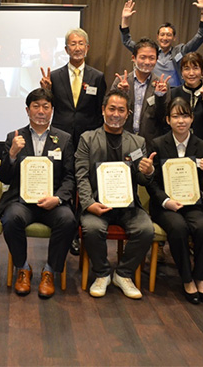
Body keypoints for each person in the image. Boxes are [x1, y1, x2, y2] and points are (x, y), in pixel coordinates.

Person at [75, 90, 155, 300]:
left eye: (121, 110)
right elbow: (81, 176)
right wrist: (88, 204)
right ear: (103, 110)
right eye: (112, 109)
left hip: (128, 207)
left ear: (128, 114)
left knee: (146, 230)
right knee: (92, 229)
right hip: (97, 204)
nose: (116, 114)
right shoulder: (87, 139)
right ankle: (102, 273)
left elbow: (141, 179)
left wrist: (148, 172)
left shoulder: (137, 143)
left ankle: (123, 274)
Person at [0, 88, 76, 299]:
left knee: (68, 220)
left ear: (52, 110)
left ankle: (49, 271)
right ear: (27, 110)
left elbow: (70, 177)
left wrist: (57, 198)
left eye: (45, 107)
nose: (41, 111)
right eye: (36, 106)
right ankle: (23, 268)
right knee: (11, 218)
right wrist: (12, 154)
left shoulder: (64, 139)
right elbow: (4, 177)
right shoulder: (14, 137)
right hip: (21, 202)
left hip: (52, 202)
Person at [146, 97, 203, 304]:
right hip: (165, 206)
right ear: (168, 120)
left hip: (192, 204)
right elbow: (152, 183)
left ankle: (199, 278)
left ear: (192, 118)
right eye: (176, 116)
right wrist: (166, 201)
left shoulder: (202, 146)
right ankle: (187, 279)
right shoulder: (158, 144)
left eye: (185, 116)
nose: (181, 121)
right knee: (178, 227)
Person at [171, 52, 203, 228]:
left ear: (202, 71)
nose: (191, 73)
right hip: (179, 151)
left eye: (195, 68)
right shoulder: (175, 93)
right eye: (186, 68)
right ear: (181, 72)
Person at [120, 0, 203, 87]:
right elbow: (127, 41)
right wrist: (125, 19)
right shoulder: (150, 51)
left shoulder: (180, 51)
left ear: (174, 38)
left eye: (169, 35)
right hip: (152, 90)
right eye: (162, 35)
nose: (165, 38)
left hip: (174, 91)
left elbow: (200, 36)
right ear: (157, 37)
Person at [39, 27, 106, 149]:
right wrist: (46, 90)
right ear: (66, 49)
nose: (77, 48)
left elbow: (100, 109)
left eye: (81, 43)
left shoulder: (97, 77)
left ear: (87, 48)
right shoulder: (54, 76)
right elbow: (49, 105)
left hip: (88, 135)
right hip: (61, 133)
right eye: (73, 44)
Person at [111, 38, 171, 146]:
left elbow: (163, 118)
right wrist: (122, 94)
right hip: (122, 140)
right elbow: (111, 113)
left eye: (152, 58)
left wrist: (160, 96)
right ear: (133, 58)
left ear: (157, 59)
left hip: (150, 142)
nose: (147, 62)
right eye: (143, 57)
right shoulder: (121, 81)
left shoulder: (162, 85)